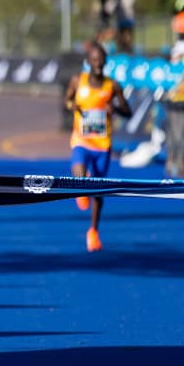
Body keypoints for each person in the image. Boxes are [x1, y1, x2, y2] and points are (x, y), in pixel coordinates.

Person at [64, 42, 132, 253]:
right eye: (94, 60)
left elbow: (128, 112)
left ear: (106, 62)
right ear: (89, 62)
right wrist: (71, 106)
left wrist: (116, 109)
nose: (98, 64)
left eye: (101, 60)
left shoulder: (112, 86)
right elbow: (67, 100)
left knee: (99, 191)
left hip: (102, 145)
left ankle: (93, 231)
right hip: (82, 140)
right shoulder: (78, 81)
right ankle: (80, 187)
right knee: (78, 170)